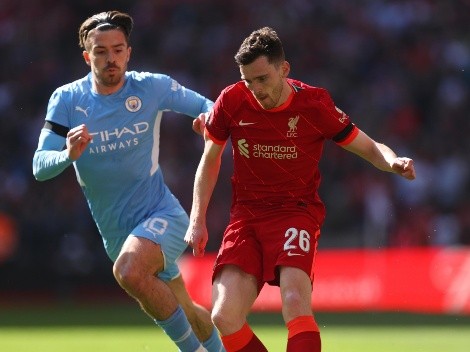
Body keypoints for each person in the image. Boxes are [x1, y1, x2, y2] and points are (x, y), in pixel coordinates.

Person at [184, 27, 416, 352]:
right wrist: (197, 219)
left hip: (296, 212)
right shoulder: (232, 101)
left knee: (294, 300)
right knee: (224, 315)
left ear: (284, 69)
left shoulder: (314, 104)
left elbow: (369, 147)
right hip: (247, 216)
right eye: (248, 80)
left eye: (262, 79)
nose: (255, 90)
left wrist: (393, 162)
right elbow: (210, 161)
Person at [32, 10, 225, 352]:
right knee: (187, 309)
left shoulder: (151, 87)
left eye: (118, 49)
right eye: (102, 51)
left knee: (129, 271)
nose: (111, 59)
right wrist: (68, 154)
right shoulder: (67, 100)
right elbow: (39, 166)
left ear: (129, 52)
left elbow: (211, 108)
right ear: (86, 55)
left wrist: (207, 123)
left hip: (161, 214)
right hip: (116, 232)